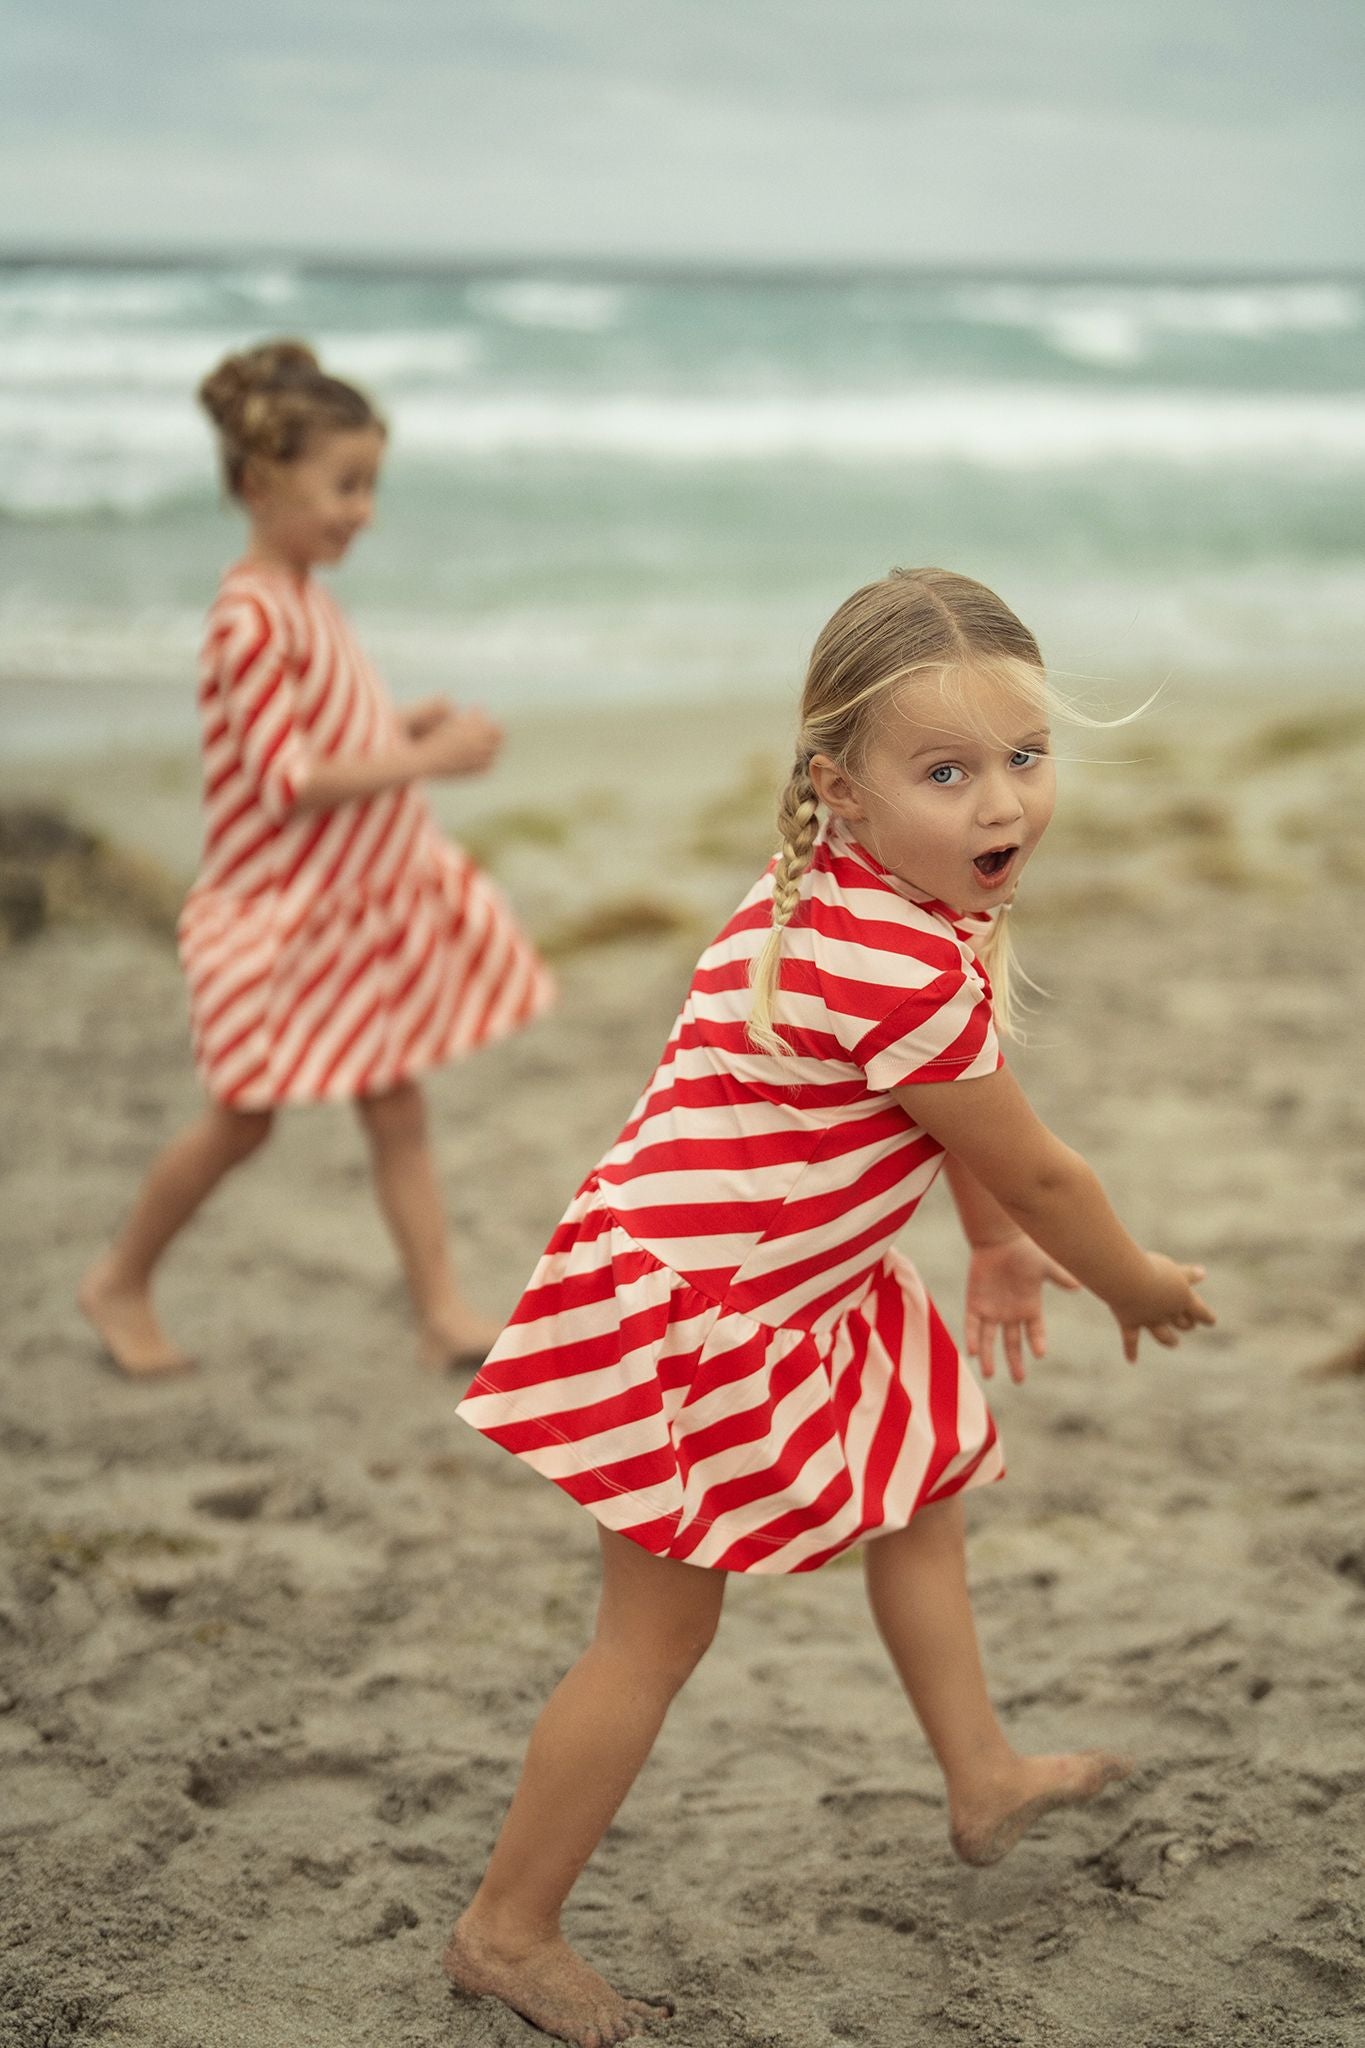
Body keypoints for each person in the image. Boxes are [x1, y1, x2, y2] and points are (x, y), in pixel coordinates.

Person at [445, 567, 1214, 2047]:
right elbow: (1041, 1170)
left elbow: (955, 1126)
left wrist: (982, 1253)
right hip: (696, 1317)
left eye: (1024, 758)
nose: (1001, 805)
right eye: (947, 771)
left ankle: (978, 1770)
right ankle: (506, 1927)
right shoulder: (892, 955)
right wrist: (1135, 1282)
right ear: (839, 789)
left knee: (922, 1480)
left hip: (804, 1288)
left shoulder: (861, 894)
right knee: (652, 1637)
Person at [79, 340, 553, 1379]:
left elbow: (323, 730)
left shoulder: (300, 593)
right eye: (345, 485)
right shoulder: (250, 613)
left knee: (397, 1104)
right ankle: (119, 1276)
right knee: (243, 1119)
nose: (363, 511)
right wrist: (424, 757)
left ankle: (441, 1307)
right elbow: (284, 778)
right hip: (283, 913)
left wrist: (395, 718)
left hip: (346, 907)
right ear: (258, 483)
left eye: (370, 486)